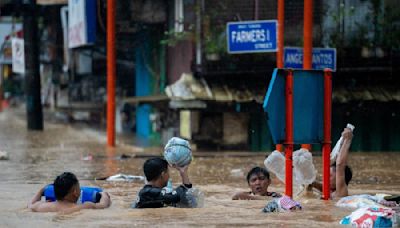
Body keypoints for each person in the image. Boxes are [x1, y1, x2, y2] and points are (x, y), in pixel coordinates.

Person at [28, 172, 111, 213]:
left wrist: (41, 190)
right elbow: (103, 205)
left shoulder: (41, 206)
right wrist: (104, 194)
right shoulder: (84, 206)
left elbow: (30, 205)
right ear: (75, 192)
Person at [308, 127, 353, 198]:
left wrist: (347, 140)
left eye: (330, 175)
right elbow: (318, 185)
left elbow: (340, 165)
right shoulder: (329, 190)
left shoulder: (340, 192)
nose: (325, 177)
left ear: (339, 178)